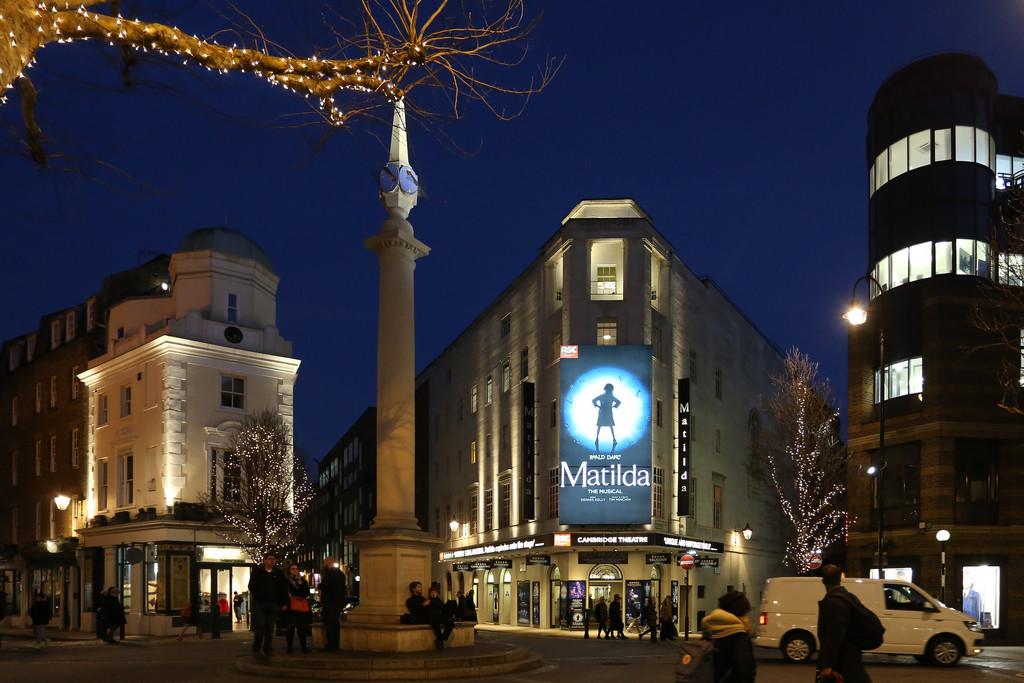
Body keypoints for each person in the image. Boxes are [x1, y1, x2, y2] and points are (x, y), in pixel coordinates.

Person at [817, 564, 872, 683]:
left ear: (823, 581)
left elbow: (834, 636)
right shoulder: (849, 598)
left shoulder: (833, 602)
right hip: (852, 659)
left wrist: (828, 665)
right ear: (840, 579)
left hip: (843, 664)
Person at [700, 591, 756, 683]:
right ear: (740, 613)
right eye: (746, 613)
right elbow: (745, 669)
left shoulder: (710, 628)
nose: (747, 617)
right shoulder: (739, 635)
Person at [248, 552, 289, 657]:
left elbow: (283, 589)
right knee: (260, 626)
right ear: (265, 560)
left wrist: (284, 602)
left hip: (273, 604)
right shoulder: (258, 572)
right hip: (260, 604)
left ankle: (268, 648)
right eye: (270, 559)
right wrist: (259, 596)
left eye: (273, 559)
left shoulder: (278, 573)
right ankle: (257, 648)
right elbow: (251, 586)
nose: (272, 561)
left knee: (270, 628)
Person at [318, 557, 347, 651]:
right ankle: (335, 643)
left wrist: (320, 586)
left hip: (330, 602)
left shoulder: (330, 573)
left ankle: (331, 644)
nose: (324, 564)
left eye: (324, 562)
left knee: (330, 623)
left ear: (328, 563)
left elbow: (325, 585)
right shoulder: (340, 574)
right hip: (337, 601)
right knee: (334, 623)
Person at [284, 563, 313, 654]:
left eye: (296, 569)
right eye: (292, 569)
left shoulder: (303, 581)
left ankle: (304, 647)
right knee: (290, 629)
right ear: (289, 570)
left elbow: (306, 592)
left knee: (302, 628)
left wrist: (298, 596)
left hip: (300, 607)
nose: (295, 570)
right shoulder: (286, 581)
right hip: (290, 607)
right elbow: (283, 593)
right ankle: (289, 647)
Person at [592, 383, 621, 452]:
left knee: (603, 426)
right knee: (603, 426)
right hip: (605, 413)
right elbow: (594, 400)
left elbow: (618, 402)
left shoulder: (606, 396)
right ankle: (598, 439)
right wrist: (597, 405)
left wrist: (597, 405)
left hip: (605, 413)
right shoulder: (609, 396)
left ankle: (612, 439)